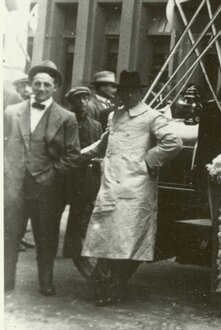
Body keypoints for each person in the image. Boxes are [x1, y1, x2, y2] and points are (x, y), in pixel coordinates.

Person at [81, 70, 182, 306]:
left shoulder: (151, 116)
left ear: (140, 92)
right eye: (123, 91)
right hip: (111, 185)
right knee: (108, 238)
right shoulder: (115, 116)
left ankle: (114, 287)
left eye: (132, 91)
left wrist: (148, 161)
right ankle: (106, 285)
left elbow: (173, 142)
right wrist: (80, 155)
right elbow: (105, 143)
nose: (126, 95)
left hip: (135, 188)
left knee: (128, 240)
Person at [3, 60, 81, 295]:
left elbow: (73, 155)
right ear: (30, 85)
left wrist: (51, 175)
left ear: (54, 87)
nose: (41, 88)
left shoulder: (66, 117)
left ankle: (45, 281)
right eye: (36, 84)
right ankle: (6, 280)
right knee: (9, 233)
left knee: (46, 237)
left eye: (46, 85)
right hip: (15, 184)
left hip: (47, 188)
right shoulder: (11, 112)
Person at [62, 86, 103, 260]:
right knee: (57, 210)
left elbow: (100, 149)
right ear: (71, 102)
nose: (82, 102)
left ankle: (73, 249)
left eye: (85, 98)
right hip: (67, 173)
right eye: (78, 99)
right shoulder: (65, 122)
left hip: (86, 174)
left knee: (82, 210)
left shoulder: (96, 125)